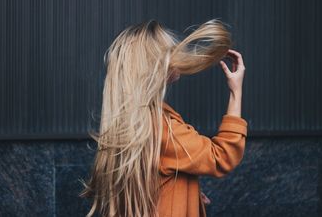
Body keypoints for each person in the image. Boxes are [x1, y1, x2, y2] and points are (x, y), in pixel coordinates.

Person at [79, 19, 248, 217]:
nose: (177, 57)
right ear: (155, 67)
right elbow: (222, 156)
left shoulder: (132, 121)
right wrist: (236, 91)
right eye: (170, 53)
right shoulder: (163, 127)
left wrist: (186, 190)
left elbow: (152, 177)